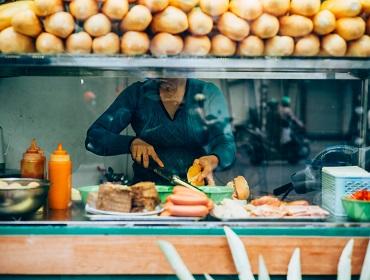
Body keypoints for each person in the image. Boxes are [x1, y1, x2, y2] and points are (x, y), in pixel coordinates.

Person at [85, 78, 236, 185]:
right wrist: (131, 143)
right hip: (147, 193)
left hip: (195, 193)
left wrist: (213, 159)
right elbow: (94, 138)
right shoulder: (137, 94)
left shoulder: (207, 93)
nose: (164, 72)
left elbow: (226, 143)